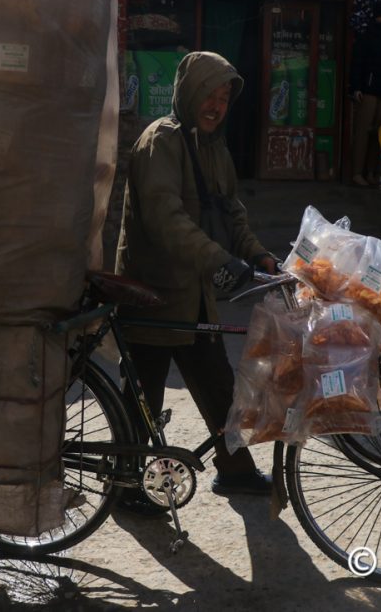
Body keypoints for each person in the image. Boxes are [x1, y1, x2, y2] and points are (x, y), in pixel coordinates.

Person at [115, 51, 278, 511]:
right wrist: (220, 261)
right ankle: (126, 486)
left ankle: (235, 470)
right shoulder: (159, 142)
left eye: (224, 98)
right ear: (189, 93)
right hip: (153, 291)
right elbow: (168, 220)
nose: (216, 105)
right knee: (141, 394)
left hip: (195, 292)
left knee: (217, 386)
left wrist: (256, 255)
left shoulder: (215, 147)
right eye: (209, 94)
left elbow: (232, 214)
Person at [349, 2, 381, 187]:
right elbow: (357, 64)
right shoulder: (366, 37)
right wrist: (356, 87)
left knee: (379, 134)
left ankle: (371, 172)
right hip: (368, 91)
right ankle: (357, 172)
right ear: (379, 17)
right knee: (363, 132)